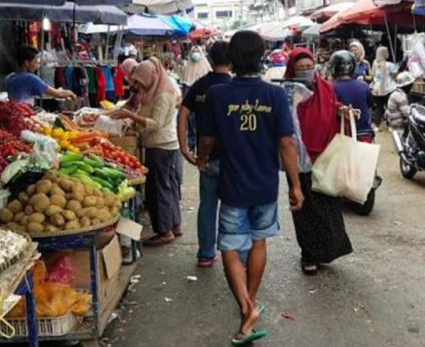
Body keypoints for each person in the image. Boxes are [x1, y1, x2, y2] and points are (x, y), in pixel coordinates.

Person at [198, 31, 303, 345]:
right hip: (266, 184)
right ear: (261, 57)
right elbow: (286, 142)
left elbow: (206, 140)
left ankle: (246, 307)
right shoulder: (274, 95)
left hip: (233, 184)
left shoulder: (218, 94)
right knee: (258, 242)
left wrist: (202, 159)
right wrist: (295, 185)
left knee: (229, 247)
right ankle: (250, 307)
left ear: (231, 59)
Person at [284, 47, 353, 276]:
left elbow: (332, 106)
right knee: (304, 209)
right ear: (291, 69)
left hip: (326, 154)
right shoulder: (287, 91)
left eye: (308, 67)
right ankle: (308, 255)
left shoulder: (326, 88)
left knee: (327, 207)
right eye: (300, 68)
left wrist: (342, 111)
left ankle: (325, 250)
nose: (305, 71)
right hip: (298, 159)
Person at [111, 57, 182, 246]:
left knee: (158, 190)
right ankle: (175, 225)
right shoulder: (152, 91)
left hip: (160, 146)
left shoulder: (163, 94)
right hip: (162, 144)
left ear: (152, 76)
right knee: (168, 187)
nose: (140, 86)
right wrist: (134, 123)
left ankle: (164, 231)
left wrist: (129, 115)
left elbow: (155, 124)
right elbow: (145, 116)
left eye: (143, 82)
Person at [177, 41, 232, 268]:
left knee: (208, 205)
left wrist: (184, 149)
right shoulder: (234, 87)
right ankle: (233, 255)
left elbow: (182, 115)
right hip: (231, 159)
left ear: (209, 58)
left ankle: (206, 254)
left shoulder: (200, 85)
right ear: (231, 61)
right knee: (232, 208)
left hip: (206, 157)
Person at [5, 46, 75, 104]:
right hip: (23, 116)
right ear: (26, 63)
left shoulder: (9, 77)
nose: (37, 66)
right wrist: (71, 93)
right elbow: (58, 94)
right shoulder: (30, 78)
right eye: (35, 62)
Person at [330, 50, 373, 134]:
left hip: (342, 134)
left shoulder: (330, 88)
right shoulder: (364, 85)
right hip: (364, 131)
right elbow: (369, 108)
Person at [370, 46, 398, 128]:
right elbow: (395, 76)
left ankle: (376, 125)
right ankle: (390, 125)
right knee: (390, 108)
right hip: (388, 89)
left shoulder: (374, 63)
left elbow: (373, 75)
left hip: (376, 90)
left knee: (378, 108)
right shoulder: (390, 65)